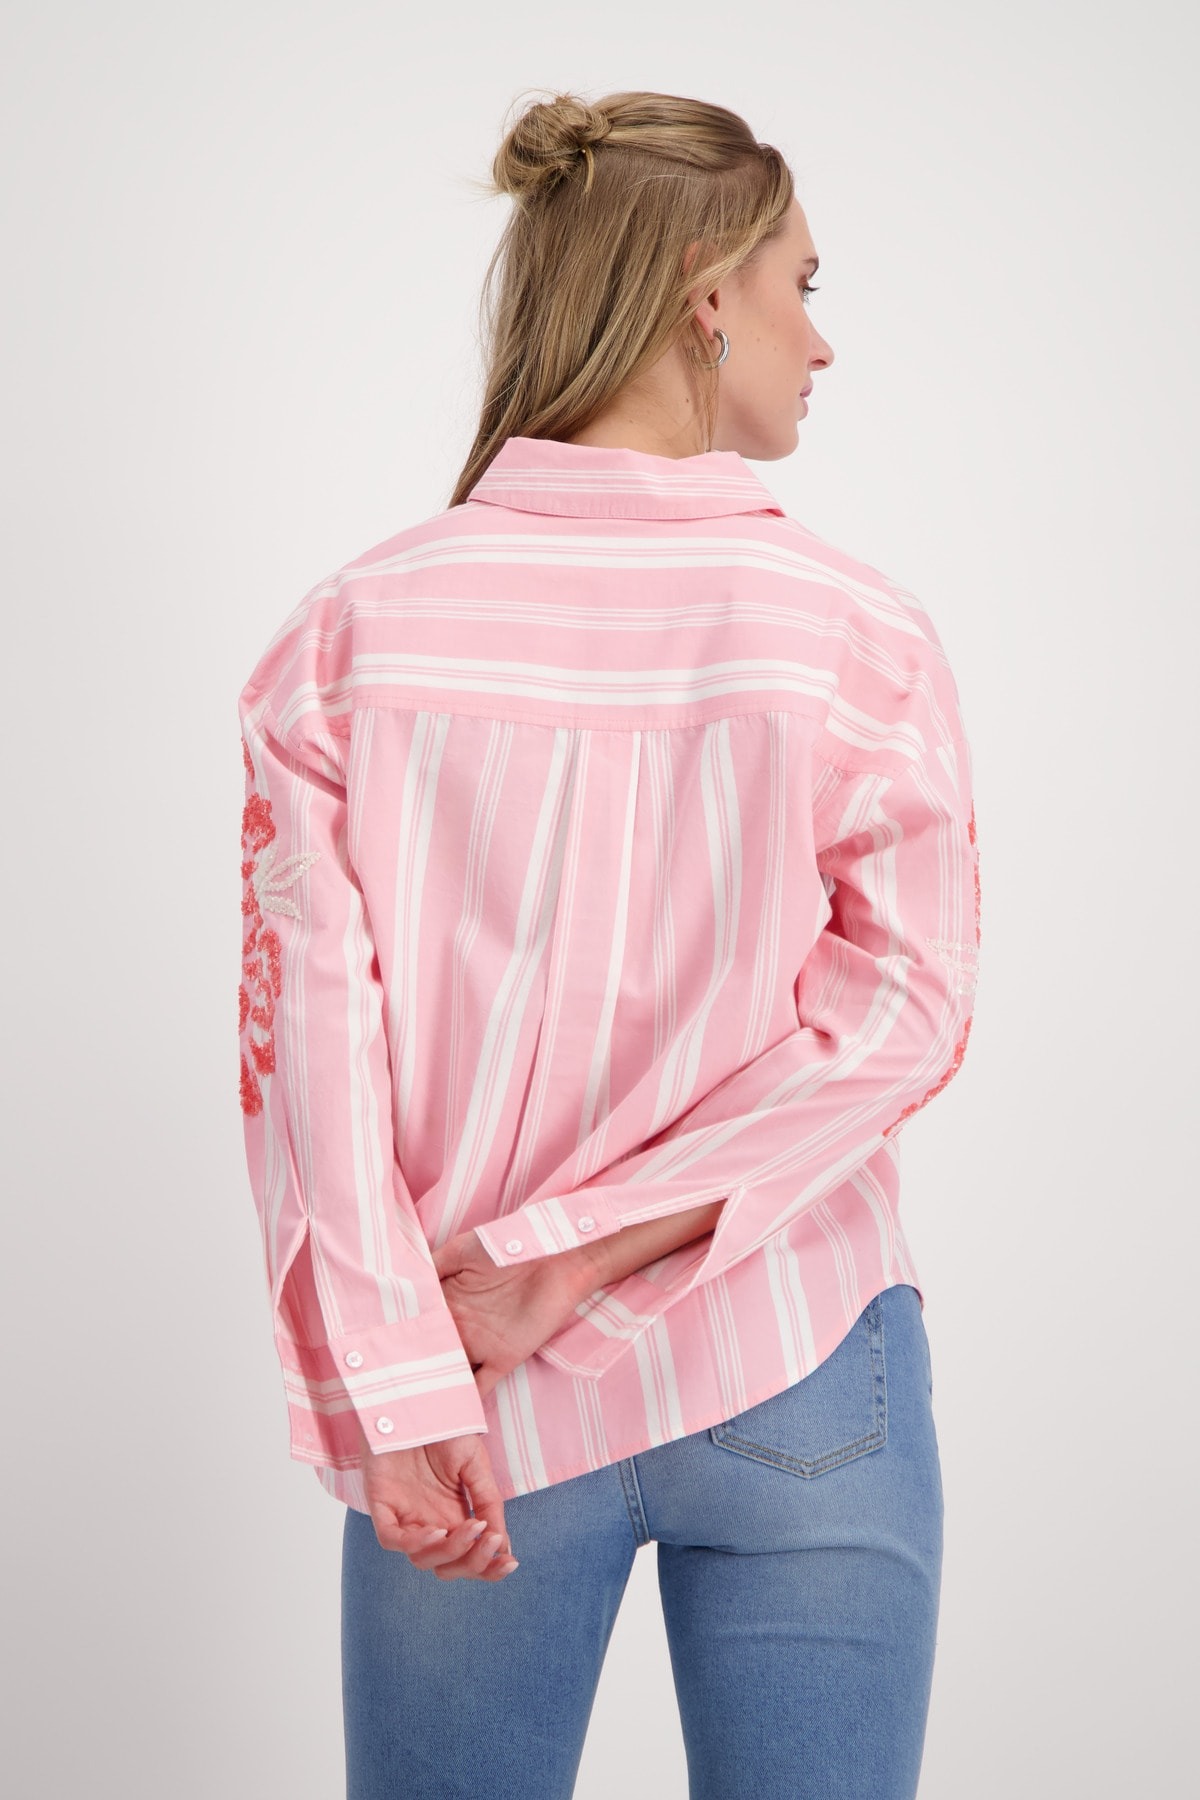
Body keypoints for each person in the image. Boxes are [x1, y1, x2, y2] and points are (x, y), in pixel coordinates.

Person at [236, 87, 980, 1800]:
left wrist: (402, 1378)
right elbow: (906, 1016)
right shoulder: (856, 634)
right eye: (803, 284)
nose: (822, 340)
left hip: (471, 1396)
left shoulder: (348, 638)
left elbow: (310, 1074)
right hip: (799, 1356)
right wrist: (574, 1256)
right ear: (709, 295)